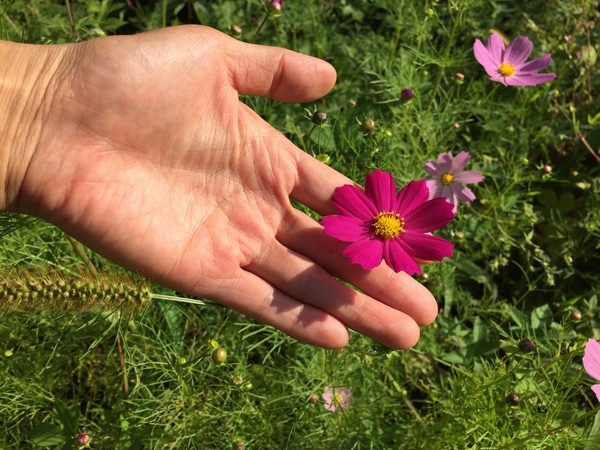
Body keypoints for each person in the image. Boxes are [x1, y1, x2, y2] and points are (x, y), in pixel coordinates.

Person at [0, 25, 437, 349]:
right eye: (388, 220)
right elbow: (350, 214)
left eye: (390, 222)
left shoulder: (386, 236)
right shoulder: (367, 221)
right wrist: (39, 106)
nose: (388, 221)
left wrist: (36, 110)